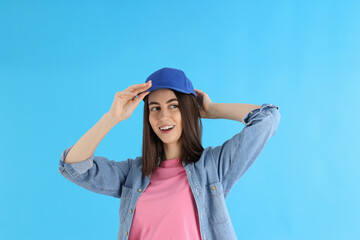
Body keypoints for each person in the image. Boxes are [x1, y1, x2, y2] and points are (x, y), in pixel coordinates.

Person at [58, 67, 281, 240]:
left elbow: (268, 118)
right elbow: (72, 167)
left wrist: (212, 109)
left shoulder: (214, 167)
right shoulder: (133, 174)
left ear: (187, 109)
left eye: (173, 105)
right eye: (155, 108)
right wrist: (111, 118)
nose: (163, 116)